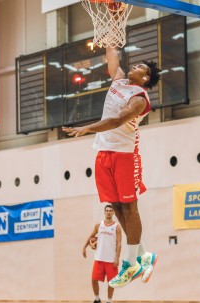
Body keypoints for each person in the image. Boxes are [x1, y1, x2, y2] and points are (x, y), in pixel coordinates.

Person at [63, 46, 161, 288]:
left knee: (130, 208)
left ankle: (130, 263)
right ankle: (144, 255)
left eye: (141, 68)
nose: (135, 66)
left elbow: (117, 120)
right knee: (115, 207)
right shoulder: (119, 80)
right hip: (103, 153)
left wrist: (87, 128)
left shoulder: (139, 99)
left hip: (125, 155)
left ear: (145, 78)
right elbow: (112, 58)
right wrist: (109, 33)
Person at [83, 204, 122, 303]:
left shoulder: (117, 227)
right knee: (93, 279)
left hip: (111, 259)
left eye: (110, 210)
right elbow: (91, 236)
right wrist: (84, 247)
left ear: (113, 212)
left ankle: (108, 302)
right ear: (104, 212)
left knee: (112, 282)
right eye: (107, 210)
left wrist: (117, 258)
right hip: (99, 258)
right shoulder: (98, 225)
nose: (109, 212)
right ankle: (97, 300)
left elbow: (119, 244)